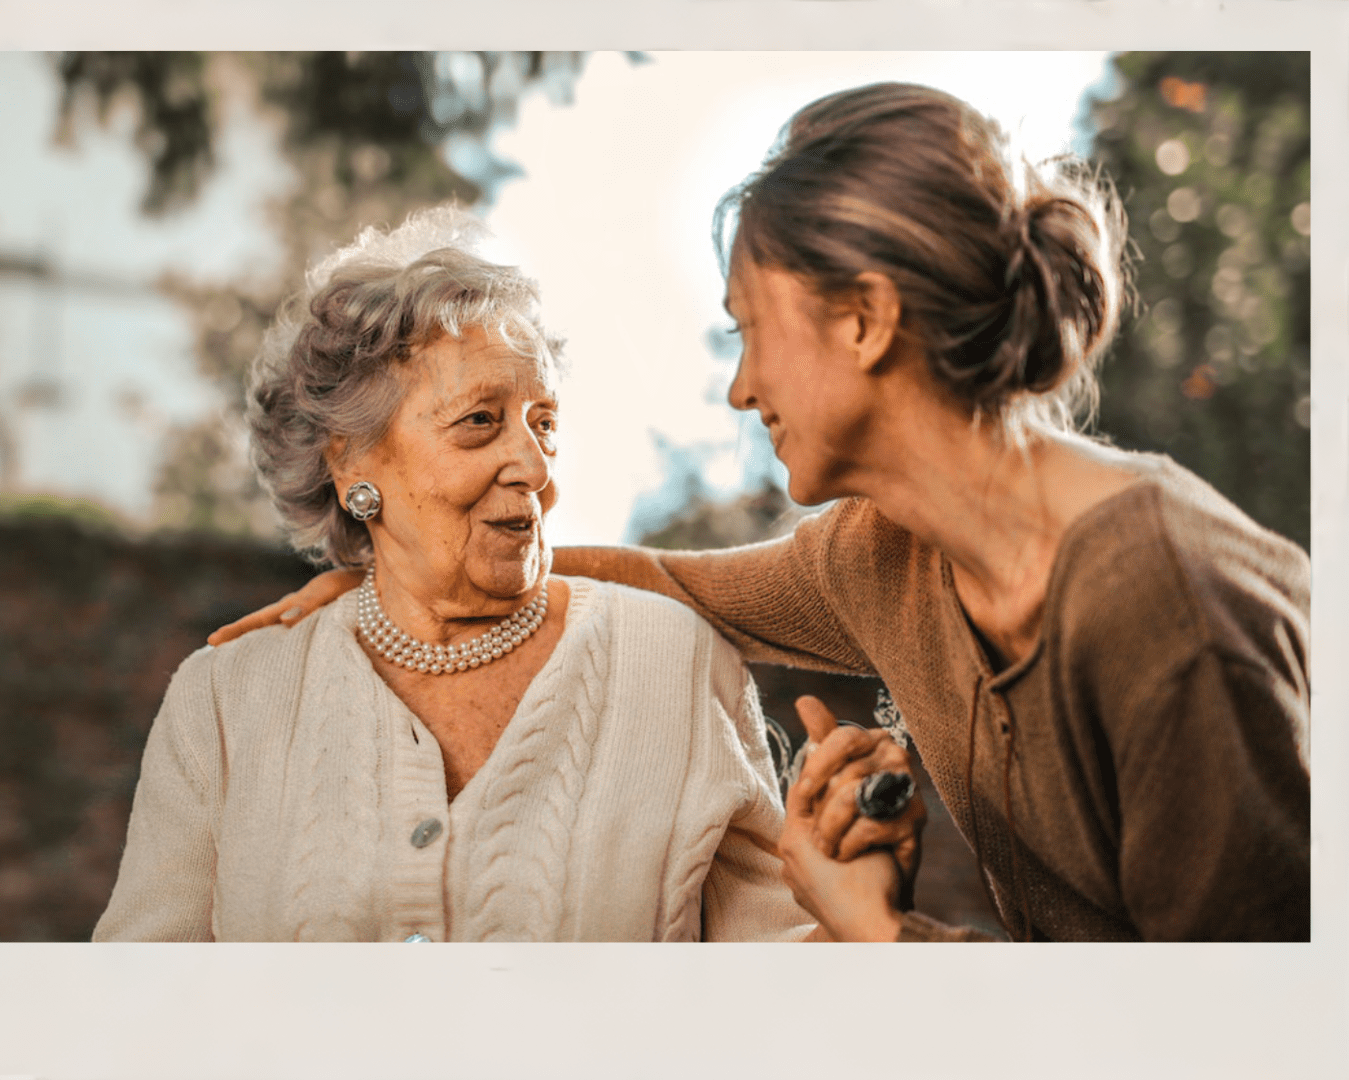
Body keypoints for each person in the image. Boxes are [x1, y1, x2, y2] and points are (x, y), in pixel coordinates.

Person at [213, 84, 1311, 942]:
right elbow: (664, 582)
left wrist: (881, 934)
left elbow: (1246, 1030)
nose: (739, 388)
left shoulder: (1162, 606)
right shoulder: (885, 554)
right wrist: (402, 571)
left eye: (747, 328)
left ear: (865, 321)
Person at [94, 208, 812, 942]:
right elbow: (144, 1007)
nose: (535, 467)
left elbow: (777, 988)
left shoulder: (678, 666)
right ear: (351, 462)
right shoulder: (223, 702)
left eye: (545, 424)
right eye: (480, 422)